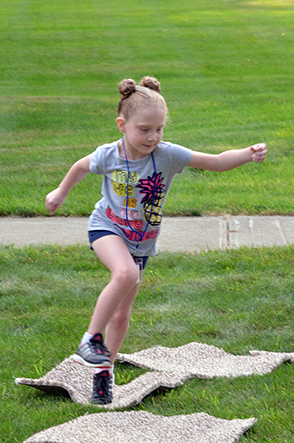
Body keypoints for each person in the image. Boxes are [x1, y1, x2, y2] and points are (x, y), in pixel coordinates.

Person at [45, 76, 267, 404]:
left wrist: (247, 154)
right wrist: (60, 192)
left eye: (159, 129)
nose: (153, 137)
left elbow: (217, 162)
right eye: (144, 129)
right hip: (106, 226)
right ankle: (90, 339)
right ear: (122, 124)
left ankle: (104, 371)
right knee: (125, 274)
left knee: (122, 313)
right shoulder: (109, 154)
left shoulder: (166, 156)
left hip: (141, 241)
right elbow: (80, 166)